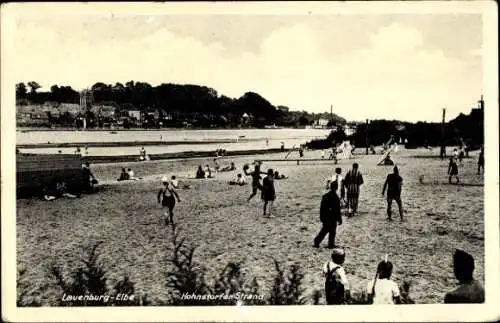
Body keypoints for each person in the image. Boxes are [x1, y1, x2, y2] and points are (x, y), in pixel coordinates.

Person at [314, 181, 342, 249]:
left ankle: (317, 241)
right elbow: (337, 210)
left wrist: (321, 216)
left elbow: (322, 208)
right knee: (332, 231)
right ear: (336, 188)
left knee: (325, 230)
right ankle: (330, 244)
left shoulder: (325, 196)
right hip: (332, 217)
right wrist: (339, 219)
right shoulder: (336, 198)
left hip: (326, 216)